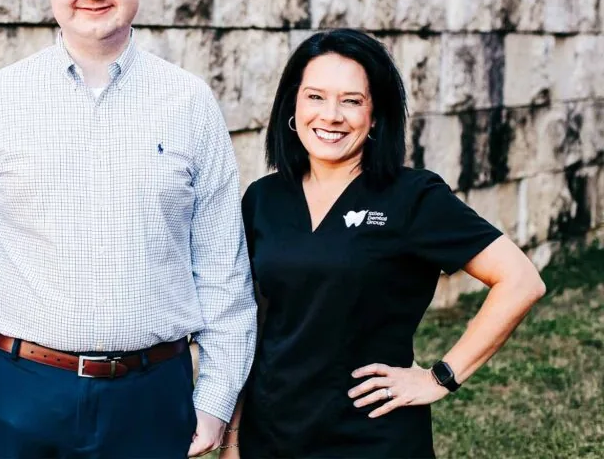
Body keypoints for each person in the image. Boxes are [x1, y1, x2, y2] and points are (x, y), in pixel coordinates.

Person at [0, 0, 257, 459]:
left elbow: (223, 264)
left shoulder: (189, 102)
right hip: (18, 392)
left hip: (153, 395)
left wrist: (217, 395)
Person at [222, 29, 546, 458]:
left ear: (375, 115)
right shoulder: (264, 199)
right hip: (272, 433)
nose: (331, 115)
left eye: (352, 100)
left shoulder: (412, 197)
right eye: (315, 97)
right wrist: (234, 437)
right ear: (292, 106)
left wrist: (440, 377)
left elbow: (521, 280)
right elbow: (256, 324)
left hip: (371, 435)